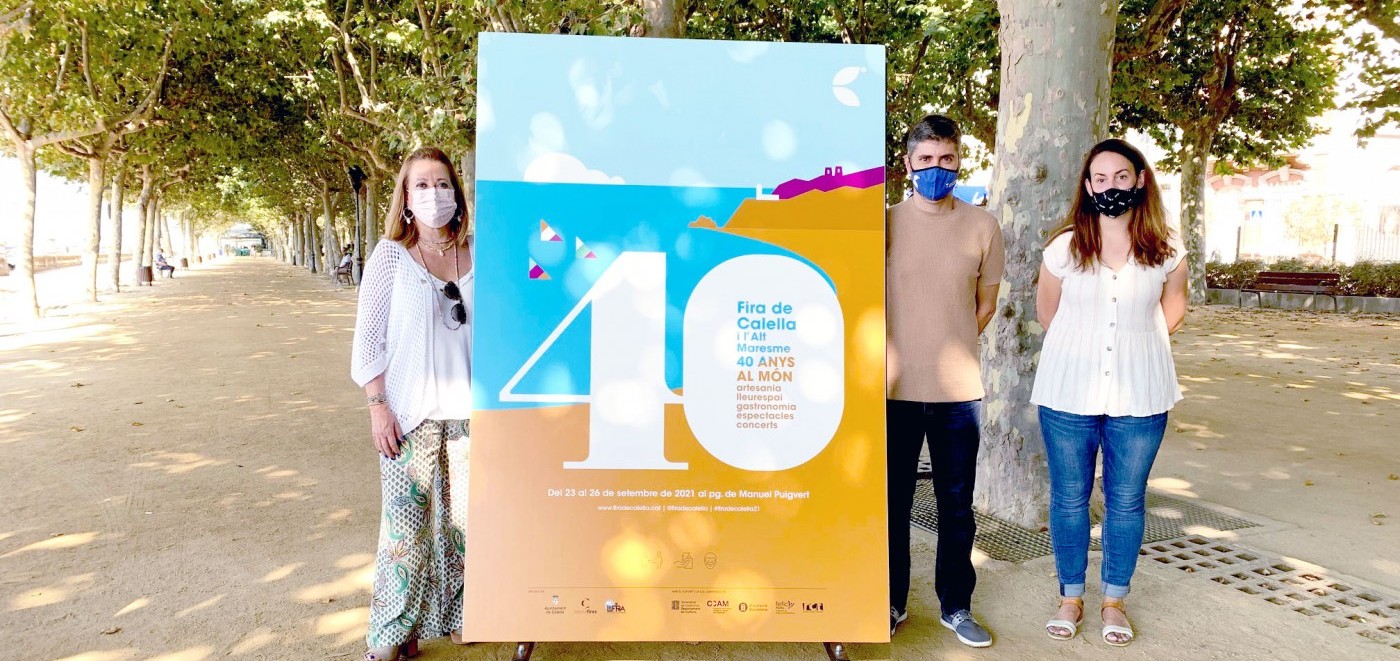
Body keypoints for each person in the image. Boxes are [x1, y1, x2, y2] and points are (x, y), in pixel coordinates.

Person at [1031, 138, 1188, 647]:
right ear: (1088, 185)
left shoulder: (1166, 248)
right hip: (1067, 392)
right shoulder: (1064, 248)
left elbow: (1173, 310)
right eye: (1100, 179)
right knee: (1070, 497)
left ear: (1140, 179)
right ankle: (1070, 596)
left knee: (1126, 499)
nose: (1111, 186)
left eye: (1121, 176)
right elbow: (1047, 313)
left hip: (1141, 393)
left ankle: (1114, 601)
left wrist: (1132, 347)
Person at [351, 146, 475, 661]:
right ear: (404, 198)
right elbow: (368, 341)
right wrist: (378, 406)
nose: (433, 194)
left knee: (463, 527)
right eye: (421, 185)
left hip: (471, 416)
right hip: (409, 417)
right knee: (405, 530)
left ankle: (461, 616)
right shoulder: (390, 258)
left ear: (457, 194)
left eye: (442, 184)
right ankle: (391, 632)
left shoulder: (479, 254)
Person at [886, 114, 1004, 647]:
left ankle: (956, 606)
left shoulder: (983, 226)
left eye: (947, 158)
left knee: (957, 506)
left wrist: (945, 339)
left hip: (958, 393)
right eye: (926, 159)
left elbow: (985, 305)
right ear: (908, 163)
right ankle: (891, 602)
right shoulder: (884, 223)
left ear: (960, 161)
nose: (937, 168)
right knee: (892, 505)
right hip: (891, 390)